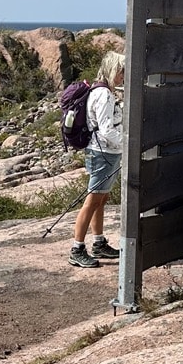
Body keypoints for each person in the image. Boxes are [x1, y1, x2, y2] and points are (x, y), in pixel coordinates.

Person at [69, 51, 124, 268]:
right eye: (120, 71)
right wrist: (127, 144)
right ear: (111, 70)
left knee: (101, 199)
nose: (122, 76)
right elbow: (106, 129)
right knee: (92, 200)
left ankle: (99, 242)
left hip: (105, 152)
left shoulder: (102, 91)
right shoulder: (104, 95)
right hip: (103, 153)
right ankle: (77, 248)